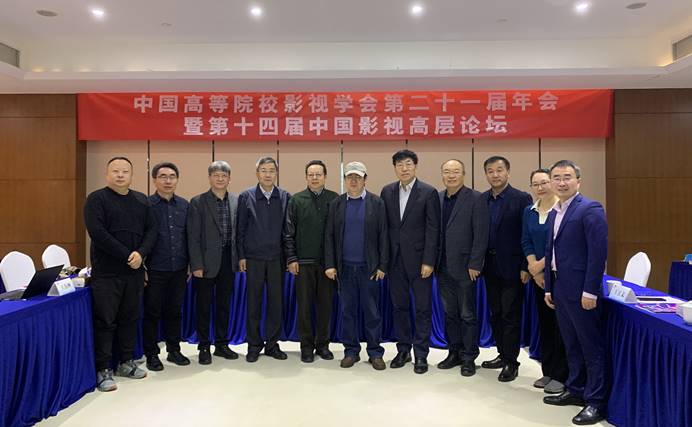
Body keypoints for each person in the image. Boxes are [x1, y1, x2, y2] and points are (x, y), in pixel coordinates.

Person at [543, 160, 608, 425]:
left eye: (567, 177)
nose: (561, 182)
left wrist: (590, 290)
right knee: (571, 343)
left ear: (578, 181)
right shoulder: (554, 211)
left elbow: (598, 253)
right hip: (560, 287)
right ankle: (576, 389)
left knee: (590, 346)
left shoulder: (590, 208)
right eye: (556, 178)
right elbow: (550, 252)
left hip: (582, 290)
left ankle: (596, 401)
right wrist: (549, 286)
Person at [84, 156, 157, 392]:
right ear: (107, 174)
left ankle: (126, 361)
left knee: (130, 318)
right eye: (115, 171)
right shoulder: (96, 199)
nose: (120, 175)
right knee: (106, 321)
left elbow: (152, 230)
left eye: (125, 171)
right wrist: (128, 256)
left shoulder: (141, 200)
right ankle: (103, 368)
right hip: (107, 273)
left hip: (134, 273)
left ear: (132, 175)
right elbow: (98, 233)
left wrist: (141, 254)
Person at [324, 161, 388, 370]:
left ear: (365, 179)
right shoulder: (336, 204)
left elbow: (384, 236)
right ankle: (351, 351)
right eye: (350, 177)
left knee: (372, 313)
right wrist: (330, 264)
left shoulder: (376, 203)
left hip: (369, 269)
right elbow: (329, 236)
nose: (353, 181)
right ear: (344, 180)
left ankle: (375, 353)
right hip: (344, 269)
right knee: (348, 312)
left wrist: (382, 265)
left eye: (358, 177)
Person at [380, 150, 440, 374]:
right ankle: (403, 350)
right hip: (395, 262)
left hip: (420, 262)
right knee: (400, 308)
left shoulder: (428, 192)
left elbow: (433, 229)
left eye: (408, 164)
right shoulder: (387, 191)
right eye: (399, 165)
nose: (404, 168)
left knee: (423, 309)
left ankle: (421, 354)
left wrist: (429, 261)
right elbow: (384, 228)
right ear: (394, 168)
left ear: (415, 166)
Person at [480, 156, 533, 382]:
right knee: (496, 314)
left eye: (499, 170)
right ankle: (502, 354)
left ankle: (512, 362)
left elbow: (526, 234)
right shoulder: (482, 199)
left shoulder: (521, 198)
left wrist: (525, 266)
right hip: (489, 266)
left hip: (513, 268)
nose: (495, 175)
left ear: (508, 172)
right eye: (490, 171)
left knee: (510, 315)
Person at [436, 159, 489, 377]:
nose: (451, 175)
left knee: (467, 314)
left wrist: (475, 263)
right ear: (442, 175)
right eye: (447, 171)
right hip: (442, 266)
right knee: (450, 314)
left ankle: (469, 357)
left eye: (455, 171)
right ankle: (454, 352)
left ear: (464, 174)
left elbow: (481, 234)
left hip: (466, 267)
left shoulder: (476, 198)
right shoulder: (437, 198)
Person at [283, 160, 339, 363]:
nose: (314, 178)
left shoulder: (334, 199)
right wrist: (291, 258)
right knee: (305, 308)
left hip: (327, 265)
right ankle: (306, 347)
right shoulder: (296, 200)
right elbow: (288, 232)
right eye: (311, 174)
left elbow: (339, 233)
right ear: (306, 177)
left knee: (325, 306)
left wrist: (335, 262)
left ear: (325, 176)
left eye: (318, 174)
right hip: (303, 264)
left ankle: (323, 345)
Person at [237, 156, 290, 362]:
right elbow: (240, 229)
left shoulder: (285, 196)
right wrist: (241, 255)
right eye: (264, 170)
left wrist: (289, 258)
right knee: (254, 303)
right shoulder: (246, 196)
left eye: (271, 170)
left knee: (276, 304)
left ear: (276, 173)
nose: (268, 174)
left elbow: (288, 231)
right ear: (257, 173)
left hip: (277, 259)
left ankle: (272, 345)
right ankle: (254, 345)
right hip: (254, 259)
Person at [187, 160, 240, 365]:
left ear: (229, 179)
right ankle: (203, 346)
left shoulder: (236, 201)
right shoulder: (198, 202)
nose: (220, 179)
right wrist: (196, 265)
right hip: (205, 262)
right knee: (204, 306)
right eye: (216, 175)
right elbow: (193, 237)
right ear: (209, 178)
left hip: (229, 260)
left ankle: (222, 344)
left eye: (224, 175)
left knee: (224, 305)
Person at [521, 168, 568, 394]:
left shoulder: (562, 210)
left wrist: (540, 266)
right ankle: (548, 371)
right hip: (538, 279)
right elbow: (526, 241)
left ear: (552, 183)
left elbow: (560, 244)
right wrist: (534, 270)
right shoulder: (529, 211)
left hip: (559, 277)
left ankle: (562, 375)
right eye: (535, 184)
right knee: (546, 325)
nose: (540, 187)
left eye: (544, 182)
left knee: (562, 327)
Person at [143, 162, 191, 371]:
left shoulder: (184, 205)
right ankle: (151, 354)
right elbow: (140, 237)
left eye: (172, 176)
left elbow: (189, 237)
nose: (168, 180)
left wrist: (190, 264)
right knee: (152, 312)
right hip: (154, 268)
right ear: (155, 180)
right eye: (163, 176)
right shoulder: (145, 205)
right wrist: (142, 267)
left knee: (175, 311)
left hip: (179, 267)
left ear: (177, 180)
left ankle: (174, 350)